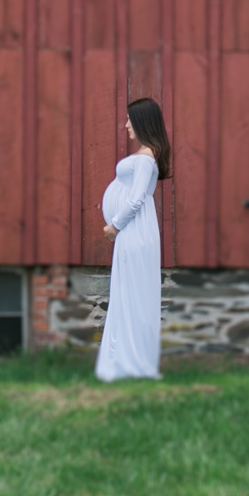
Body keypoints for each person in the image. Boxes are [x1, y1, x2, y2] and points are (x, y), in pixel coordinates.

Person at [96, 97, 170, 381]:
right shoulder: (146, 155)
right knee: (128, 292)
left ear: (142, 122)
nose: (126, 125)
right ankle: (124, 359)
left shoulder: (146, 158)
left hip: (133, 230)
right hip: (135, 230)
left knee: (132, 293)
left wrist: (115, 225)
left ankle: (131, 361)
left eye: (130, 119)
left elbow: (138, 198)